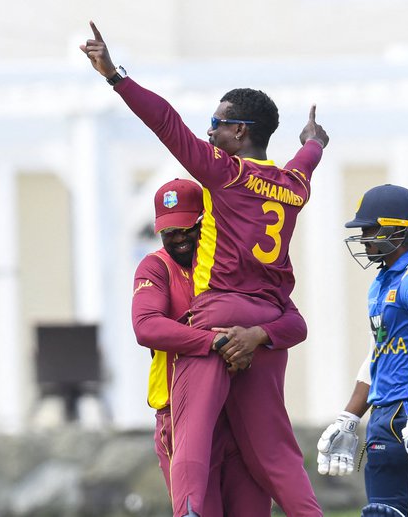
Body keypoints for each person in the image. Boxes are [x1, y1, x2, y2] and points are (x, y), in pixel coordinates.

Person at [82, 21, 328, 517]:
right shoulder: (295, 183)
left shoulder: (225, 171)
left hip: (218, 310)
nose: (208, 132)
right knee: (277, 450)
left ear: (240, 132)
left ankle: (190, 511)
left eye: (216, 124)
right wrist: (315, 139)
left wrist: (115, 77)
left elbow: (165, 121)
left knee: (191, 432)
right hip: (269, 317)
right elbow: (307, 158)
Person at [132, 177, 310, 516]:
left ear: (207, 223)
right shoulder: (156, 267)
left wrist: (256, 335)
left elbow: (296, 324)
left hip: (241, 417)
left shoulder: (233, 266)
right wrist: (214, 340)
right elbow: (146, 327)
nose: (179, 238)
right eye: (169, 232)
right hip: (182, 415)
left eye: (188, 228)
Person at [316, 184, 408, 517]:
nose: (363, 238)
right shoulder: (383, 282)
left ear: (396, 229)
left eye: (369, 230)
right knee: (379, 511)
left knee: (391, 514)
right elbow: (377, 354)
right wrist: (349, 417)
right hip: (384, 412)